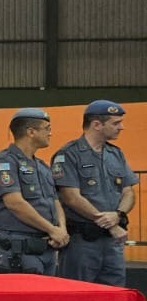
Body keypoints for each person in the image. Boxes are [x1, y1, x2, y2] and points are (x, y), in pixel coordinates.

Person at [53, 100, 136, 286]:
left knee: (113, 295)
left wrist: (118, 215)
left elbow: (128, 191)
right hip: (83, 242)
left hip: (112, 243)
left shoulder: (116, 154)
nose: (121, 127)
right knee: (78, 295)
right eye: (115, 123)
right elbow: (71, 197)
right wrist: (110, 224)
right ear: (97, 124)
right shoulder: (68, 155)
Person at [0, 108, 67, 275]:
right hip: (19, 251)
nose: (50, 133)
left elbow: (55, 201)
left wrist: (62, 230)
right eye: (47, 129)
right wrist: (53, 230)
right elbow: (15, 203)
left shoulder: (42, 166)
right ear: (31, 132)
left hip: (46, 249)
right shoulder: (4, 162)